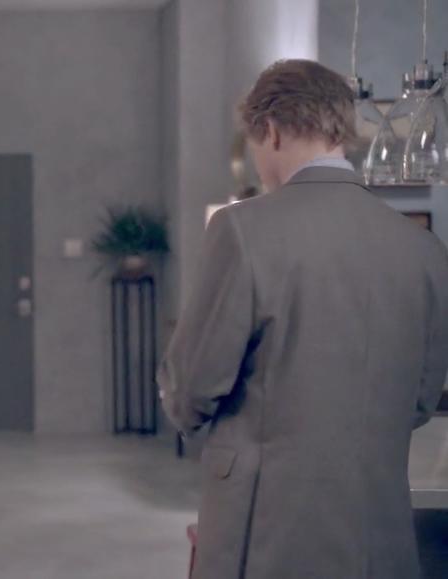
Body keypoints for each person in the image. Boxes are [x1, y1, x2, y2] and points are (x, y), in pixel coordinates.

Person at [158, 59, 448, 579]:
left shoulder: (241, 231)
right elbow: (423, 398)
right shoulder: (423, 248)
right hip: (379, 533)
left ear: (270, 130)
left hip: (266, 533)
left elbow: (193, 386)